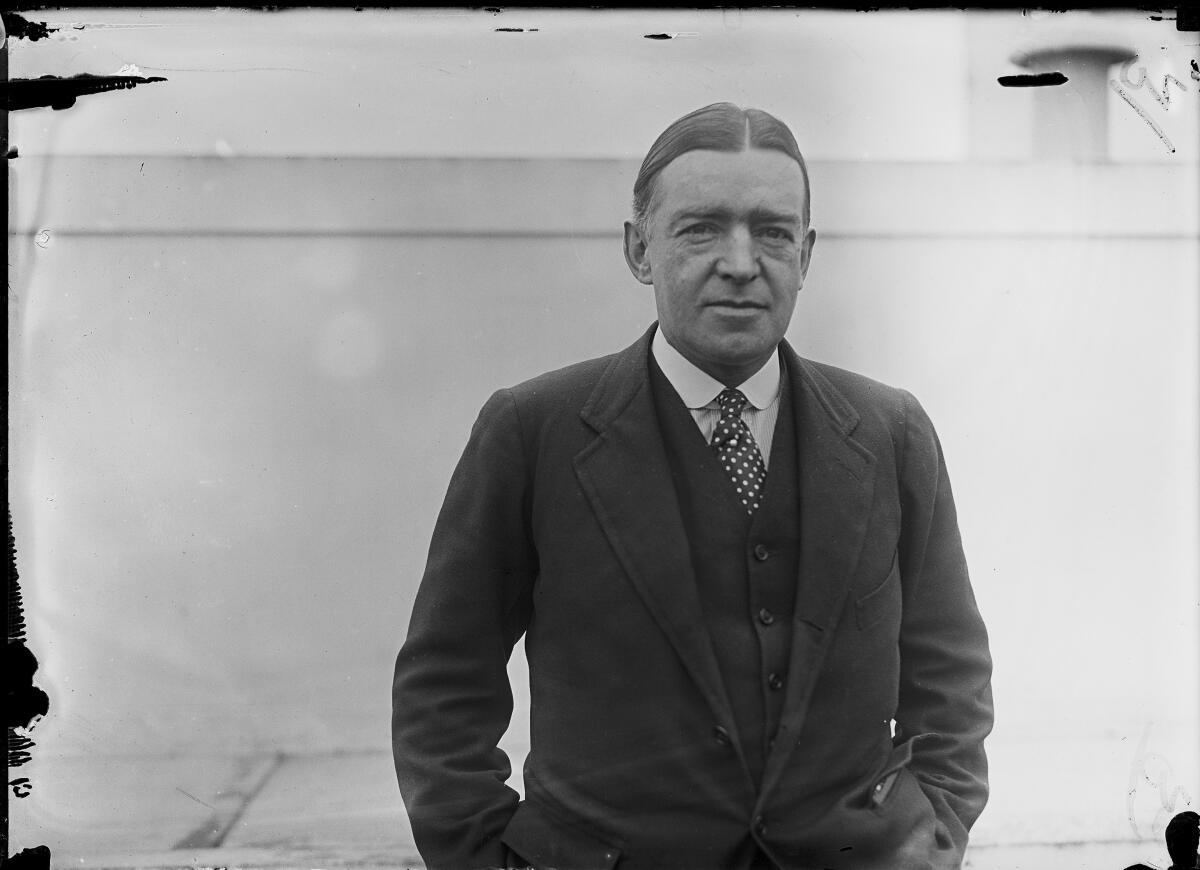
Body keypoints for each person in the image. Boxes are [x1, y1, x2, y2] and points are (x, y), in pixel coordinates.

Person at [392, 102, 994, 870]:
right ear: (640, 249)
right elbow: (444, 680)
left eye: (773, 231)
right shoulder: (534, 431)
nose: (741, 262)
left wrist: (932, 833)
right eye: (702, 227)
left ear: (805, 256)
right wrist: (483, 854)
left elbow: (949, 672)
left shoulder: (890, 432)